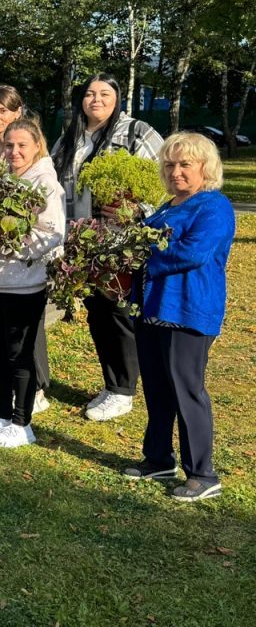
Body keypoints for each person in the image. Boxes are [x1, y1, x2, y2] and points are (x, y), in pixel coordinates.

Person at [124, 132, 234, 501]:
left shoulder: (213, 207)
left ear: (206, 168)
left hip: (187, 311)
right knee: (156, 388)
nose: (176, 171)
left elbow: (193, 253)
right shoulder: (167, 206)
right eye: (170, 164)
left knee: (186, 390)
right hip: (152, 309)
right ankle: (157, 458)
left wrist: (140, 255)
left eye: (185, 164)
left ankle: (202, 473)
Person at [51, 73, 163, 422]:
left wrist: (137, 210)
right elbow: (52, 179)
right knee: (97, 312)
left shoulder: (136, 132)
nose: (95, 100)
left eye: (104, 94)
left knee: (117, 312)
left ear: (117, 99)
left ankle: (123, 390)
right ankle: (112, 383)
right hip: (81, 240)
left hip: (118, 241)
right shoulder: (71, 136)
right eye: (89, 94)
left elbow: (163, 177)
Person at [0, 119, 65, 448]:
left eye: (22, 145)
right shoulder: (0, 178)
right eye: (9, 145)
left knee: (19, 354)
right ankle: (3, 415)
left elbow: (51, 234)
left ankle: (23, 422)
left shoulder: (45, 183)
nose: (14, 151)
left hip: (23, 284)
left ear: (37, 146)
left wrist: (5, 241)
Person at [0, 85, 52, 413]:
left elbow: (47, 227)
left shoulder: (40, 173)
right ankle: (7, 400)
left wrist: (7, 238)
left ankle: (33, 393)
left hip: (21, 271)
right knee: (0, 341)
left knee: (23, 342)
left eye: (3, 111)